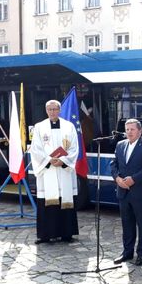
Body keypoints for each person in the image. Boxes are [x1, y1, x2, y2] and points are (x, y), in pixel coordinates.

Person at [30, 100, 79, 244]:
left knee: (65, 200)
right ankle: (46, 235)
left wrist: (63, 161)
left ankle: (66, 234)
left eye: (55, 109)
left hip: (63, 169)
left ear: (59, 110)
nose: (52, 112)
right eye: (49, 109)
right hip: (47, 171)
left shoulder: (69, 126)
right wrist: (48, 160)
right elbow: (36, 148)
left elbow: (74, 148)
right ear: (46, 111)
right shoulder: (39, 127)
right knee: (47, 203)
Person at [110, 119, 142, 266]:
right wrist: (117, 178)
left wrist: (133, 179)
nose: (129, 132)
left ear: (140, 131)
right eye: (127, 129)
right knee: (126, 224)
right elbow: (114, 163)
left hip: (141, 193)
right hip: (123, 192)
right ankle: (127, 252)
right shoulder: (120, 144)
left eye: (132, 129)